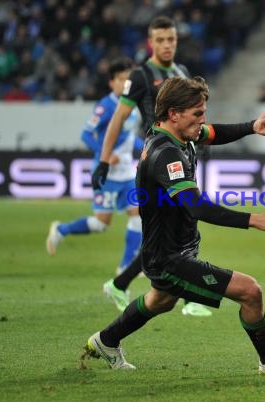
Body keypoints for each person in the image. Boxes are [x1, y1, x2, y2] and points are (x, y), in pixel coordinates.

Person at [81, 76, 265, 377]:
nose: (203, 121)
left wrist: (251, 126)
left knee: (160, 301)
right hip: (170, 259)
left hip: (170, 249)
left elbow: (214, 133)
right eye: (197, 114)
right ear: (174, 114)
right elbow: (196, 206)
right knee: (251, 291)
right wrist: (255, 220)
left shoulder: (176, 134)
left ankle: (106, 341)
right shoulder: (167, 154)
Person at [90, 16, 209, 316]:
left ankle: (120, 283)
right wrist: (103, 160)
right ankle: (190, 297)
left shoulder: (181, 72)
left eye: (171, 39)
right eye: (160, 40)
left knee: (172, 230)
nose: (167, 45)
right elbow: (118, 117)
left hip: (182, 158)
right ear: (150, 42)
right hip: (157, 163)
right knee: (178, 223)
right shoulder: (141, 75)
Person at [45, 58, 143, 291]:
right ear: (111, 83)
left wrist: (148, 146)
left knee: (138, 215)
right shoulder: (105, 107)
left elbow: (130, 137)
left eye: (128, 79)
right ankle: (61, 229)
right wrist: (105, 157)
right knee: (101, 225)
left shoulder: (133, 106)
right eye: (120, 79)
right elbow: (87, 134)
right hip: (108, 174)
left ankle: (125, 266)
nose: (125, 83)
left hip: (128, 173)